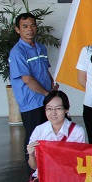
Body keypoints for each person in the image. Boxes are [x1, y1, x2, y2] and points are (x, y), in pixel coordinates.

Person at [21, 90, 85, 182]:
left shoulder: (77, 131)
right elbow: (34, 167)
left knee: (51, 178)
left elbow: (78, 162)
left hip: (69, 175)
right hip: (45, 176)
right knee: (47, 178)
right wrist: (31, 154)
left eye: (58, 108)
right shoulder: (39, 130)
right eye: (49, 109)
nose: (53, 113)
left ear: (66, 109)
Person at [9, 13, 57, 152]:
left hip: (46, 99)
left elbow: (45, 70)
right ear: (17, 29)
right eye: (25, 26)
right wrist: (47, 94)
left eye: (32, 25)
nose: (29, 29)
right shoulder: (17, 52)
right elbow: (27, 79)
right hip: (31, 102)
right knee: (33, 138)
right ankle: (31, 165)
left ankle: (46, 164)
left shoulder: (41, 47)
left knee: (49, 135)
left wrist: (52, 85)